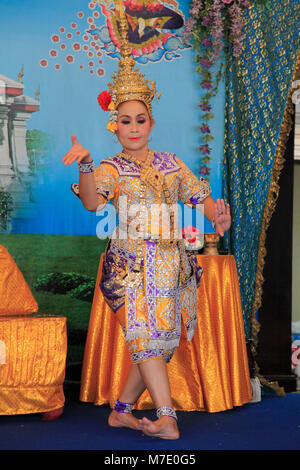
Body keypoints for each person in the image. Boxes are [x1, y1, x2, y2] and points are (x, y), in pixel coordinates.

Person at [62, 2, 231, 440]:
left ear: (151, 123)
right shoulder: (112, 168)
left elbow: (200, 196)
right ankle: (166, 417)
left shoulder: (171, 164)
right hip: (132, 267)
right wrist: (84, 165)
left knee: (160, 344)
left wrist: (216, 212)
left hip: (172, 266)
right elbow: (91, 203)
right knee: (148, 340)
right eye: (125, 121)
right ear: (113, 126)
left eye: (140, 120)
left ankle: (120, 411)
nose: (133, 127)